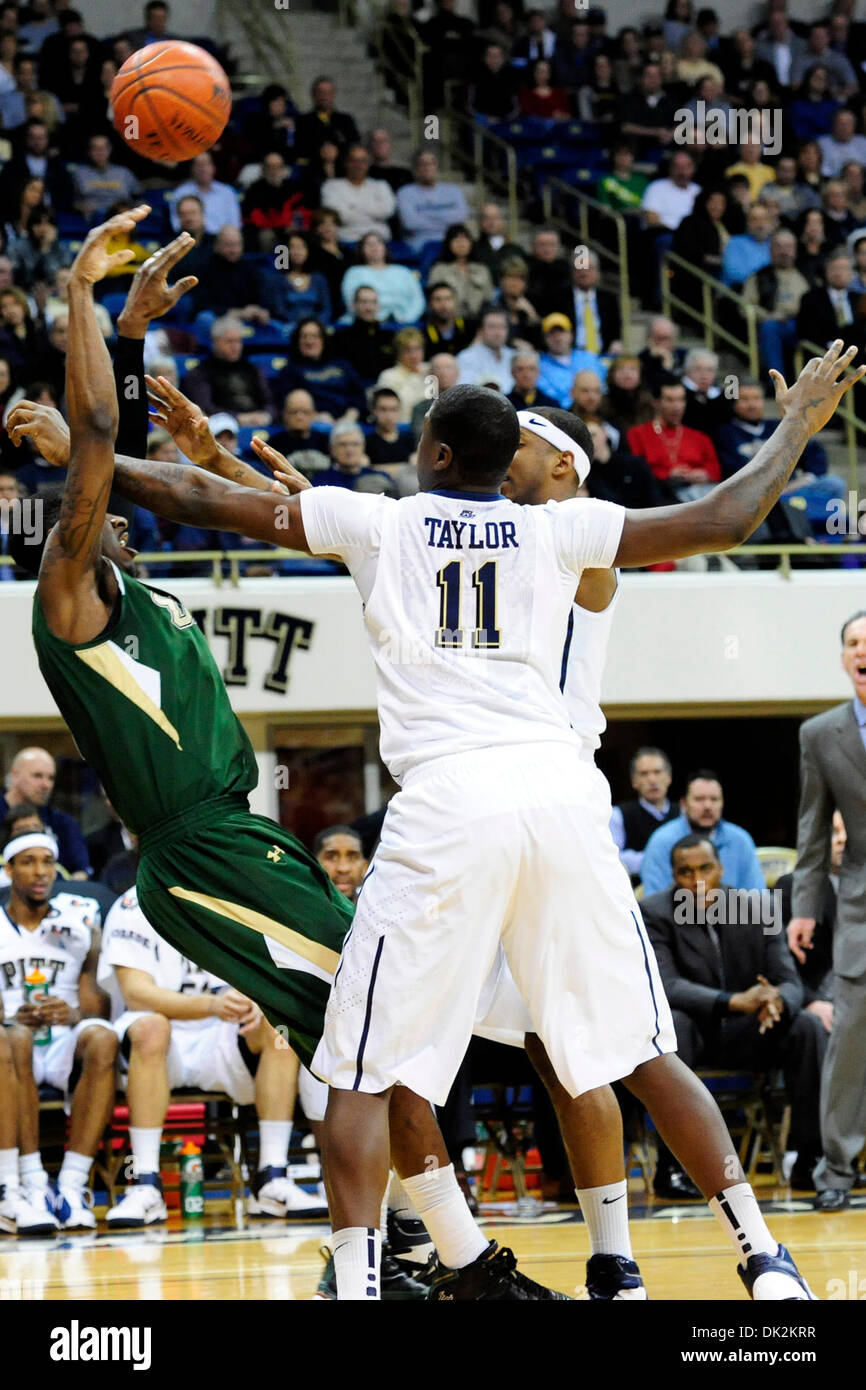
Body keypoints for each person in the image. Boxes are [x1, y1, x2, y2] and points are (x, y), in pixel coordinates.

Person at [17, 292, 863, 1304]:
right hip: (558, 804)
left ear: (431, 452)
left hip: (450, 806)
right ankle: (760, 1259)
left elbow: (215, 509)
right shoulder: (574, 539)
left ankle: (378, 1274)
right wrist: (795, 424)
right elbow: (726, 513)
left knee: (364, 1059)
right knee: (631, 1049)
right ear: (512, 464)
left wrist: (86, 446)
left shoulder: (390, 522)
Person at [8, 218, 562, 1302]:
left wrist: (129, 338)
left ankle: (419, 1250)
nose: (112, 507)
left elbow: (110, 448)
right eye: (92, 505)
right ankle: (433, 1261)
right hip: (201, 851)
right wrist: (84, 295)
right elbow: (93, 435)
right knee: (375, 1023)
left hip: (237, 839)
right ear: (67, 530)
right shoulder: (67, 603)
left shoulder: (140, 591)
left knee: (371, 1032)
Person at [99, 885, 327, 1225]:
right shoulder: (133, 903)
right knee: (151, 1029)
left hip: (218, 1033)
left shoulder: (225, 891)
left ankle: (272, 1179)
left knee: (278, 1025)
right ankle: (145, 1184)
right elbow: (136, 994)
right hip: (157, 1036)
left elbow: (257, 972)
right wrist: (211, 1005)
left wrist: (252, 999)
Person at [642, 835, 827, 1196]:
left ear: (721, 869)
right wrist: (732, 1001)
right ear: (673, 875)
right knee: (673, 1026)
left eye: (705, 869)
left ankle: (810, 1157)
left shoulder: (756, 908)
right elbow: (665, 984)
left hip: (749, 1031)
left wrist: (776, 1000)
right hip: (696, 1031)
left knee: (806, 1025)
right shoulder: (655, 912)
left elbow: (790, 979)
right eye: (685, 872)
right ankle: (672, 1167)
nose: (697, 881)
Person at [0, 820, 117, 1229]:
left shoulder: (80, 922)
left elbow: (96, 1010)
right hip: (10, 1044)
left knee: (103, 1039)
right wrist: (13, 1017)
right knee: (13, 1040)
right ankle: (31, 1181)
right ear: (8, 869)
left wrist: (71, 1015)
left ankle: (71, 1183)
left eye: (48, 862)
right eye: (28, 863)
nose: (41, 872)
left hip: (63, 1037)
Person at [789, 612, 866, 1211]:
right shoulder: (820, 734)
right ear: (843, 658)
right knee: (850, 1043)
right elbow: (813, 834)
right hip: (859, 905)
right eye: (853, 643)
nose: (862, 652)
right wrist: (804, 910)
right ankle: (836, 1172)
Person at [640, 770, 766, 896]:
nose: (707, 806)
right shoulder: (662, 841)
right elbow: (654, 903)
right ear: (684, 804)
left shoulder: (740, 840)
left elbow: (757, 899)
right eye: (699, 799)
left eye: (714, 799)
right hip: (676, 914)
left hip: (733, 914)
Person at [626, 376, 720, 502]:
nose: (677, 406)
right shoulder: (637, 434)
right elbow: (637, 472)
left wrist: (704, 474)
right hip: (658, 498)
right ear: (656, 402)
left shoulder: (700, 437)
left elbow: (716, 470)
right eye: (670, 400)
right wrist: (668, 474)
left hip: (700, 495)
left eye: (681, 400)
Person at [0, 746, 91, 876]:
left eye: (51, 778)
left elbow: (82, 872)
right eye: (37, 776)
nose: (46, 785)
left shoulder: (63, 823)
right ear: (15, 776)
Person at [181, 315, 272, 427]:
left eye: (239, 341)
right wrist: (237, 417)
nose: (236, 347)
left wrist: (266, 415)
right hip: (221, 426)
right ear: (215, 342)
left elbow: (269, 401)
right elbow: (205, 407)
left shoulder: (251, 369)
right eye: (230, 341)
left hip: (257, 421)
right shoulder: (201, 372)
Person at [610, 747, 678, 882]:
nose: (652, 779)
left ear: (669, 777)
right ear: (634, 781)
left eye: (657, 772)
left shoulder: (684, 814)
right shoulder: (619, 815)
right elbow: (612, 857)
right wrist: (660, 860)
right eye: (644, 774)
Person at [339, 232, 424, 325]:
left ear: (385, 248)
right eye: (368, 244)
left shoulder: (403, 271)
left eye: (378, 243)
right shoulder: (354, 272)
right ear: (361, 250)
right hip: (366, 322)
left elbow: (418, 300)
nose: (374, 247)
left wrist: (406, 319)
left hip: (403, 322)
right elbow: (350, 301)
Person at [395, 149, 470, 255]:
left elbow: (461, 217)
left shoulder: (454, 191)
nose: (427, 168)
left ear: (436, 167)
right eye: (423, 164)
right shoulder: (405, 193)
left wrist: (426, 216)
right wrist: (445, 221)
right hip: (420, 246)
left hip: (452, 244)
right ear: (415, 169)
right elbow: (410, 223)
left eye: (431, 163)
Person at [320, 145, 396, 247]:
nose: (358, 165)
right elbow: (337, 216)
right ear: (345, 163)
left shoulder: (381, 185)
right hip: (346, 242)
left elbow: (387, 211)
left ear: (368, 164)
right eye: (353, 160)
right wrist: (373, 211)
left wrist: (353, 207)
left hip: (381, 242)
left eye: (363, 161)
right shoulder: (331, 186)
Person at [427, 224, 495, 322]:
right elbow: (433, 301)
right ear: (449, 244)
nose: (461, 244)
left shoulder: (482, 270)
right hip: (449, 321)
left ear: (471, 243)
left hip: (478, 321)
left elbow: (489, 298)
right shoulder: (438, 270)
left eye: (464, 239)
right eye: (456, 240)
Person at [537, 313, 605, 407]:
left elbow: (603, 388)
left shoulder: (590, 358)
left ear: (571, 335)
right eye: (552, 333)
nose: (557, 338)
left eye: (562, 332)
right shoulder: (539, 365)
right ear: (545, 338)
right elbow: (548, 396)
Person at [72, 132, 140, 223]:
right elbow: (70, 202)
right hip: (93, 217)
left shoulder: (124, 173)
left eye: (103, 148)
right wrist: (80, 207)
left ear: (110, 149)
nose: (100, 152)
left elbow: (139, 197)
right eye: (95, 148)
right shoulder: (79, 173)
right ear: (88, 151)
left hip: (121, 215)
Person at [331, 286, 394, 384]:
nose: (369, 308)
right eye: (364, 302)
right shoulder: (340, 338)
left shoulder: (389, 337)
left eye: (373, 302)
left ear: (378, 306)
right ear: (353, 305)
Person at [169, 153, 241, 236]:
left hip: (222, 241)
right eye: (198, 165)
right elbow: (176, 225)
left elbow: (236, 224)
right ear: (192, 169)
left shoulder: (227, 192)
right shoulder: (180, 193)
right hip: (194, 239)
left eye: (206, 164)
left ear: (214, 168)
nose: (203, 169)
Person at [456, 306, 515, 392]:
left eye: (502, 327)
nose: (498, 332)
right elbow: (464, 392)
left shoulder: (513, 355)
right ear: (481, 331)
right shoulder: (466, 357)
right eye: (492, 327)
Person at [421, 282, 474, 357]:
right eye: (438, 300)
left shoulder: (470, 327)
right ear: (430, 304)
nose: (444, 304)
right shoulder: (423, 335)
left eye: (448, 299)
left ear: (455, 302)